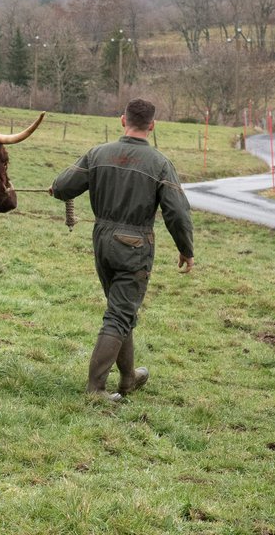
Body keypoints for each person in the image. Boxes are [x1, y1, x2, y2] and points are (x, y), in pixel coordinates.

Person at [50, 98, 194, 402]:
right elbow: (177, 213)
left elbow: (62, 186)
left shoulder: (98, 153)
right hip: (135, 244)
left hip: (101, 239)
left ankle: (129, 377)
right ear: (152, 126)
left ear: (122, 120)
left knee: (121, 308)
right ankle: (96, 389)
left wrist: (59, 186)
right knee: (118, 314)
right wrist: (186, 248)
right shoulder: (159, 163)